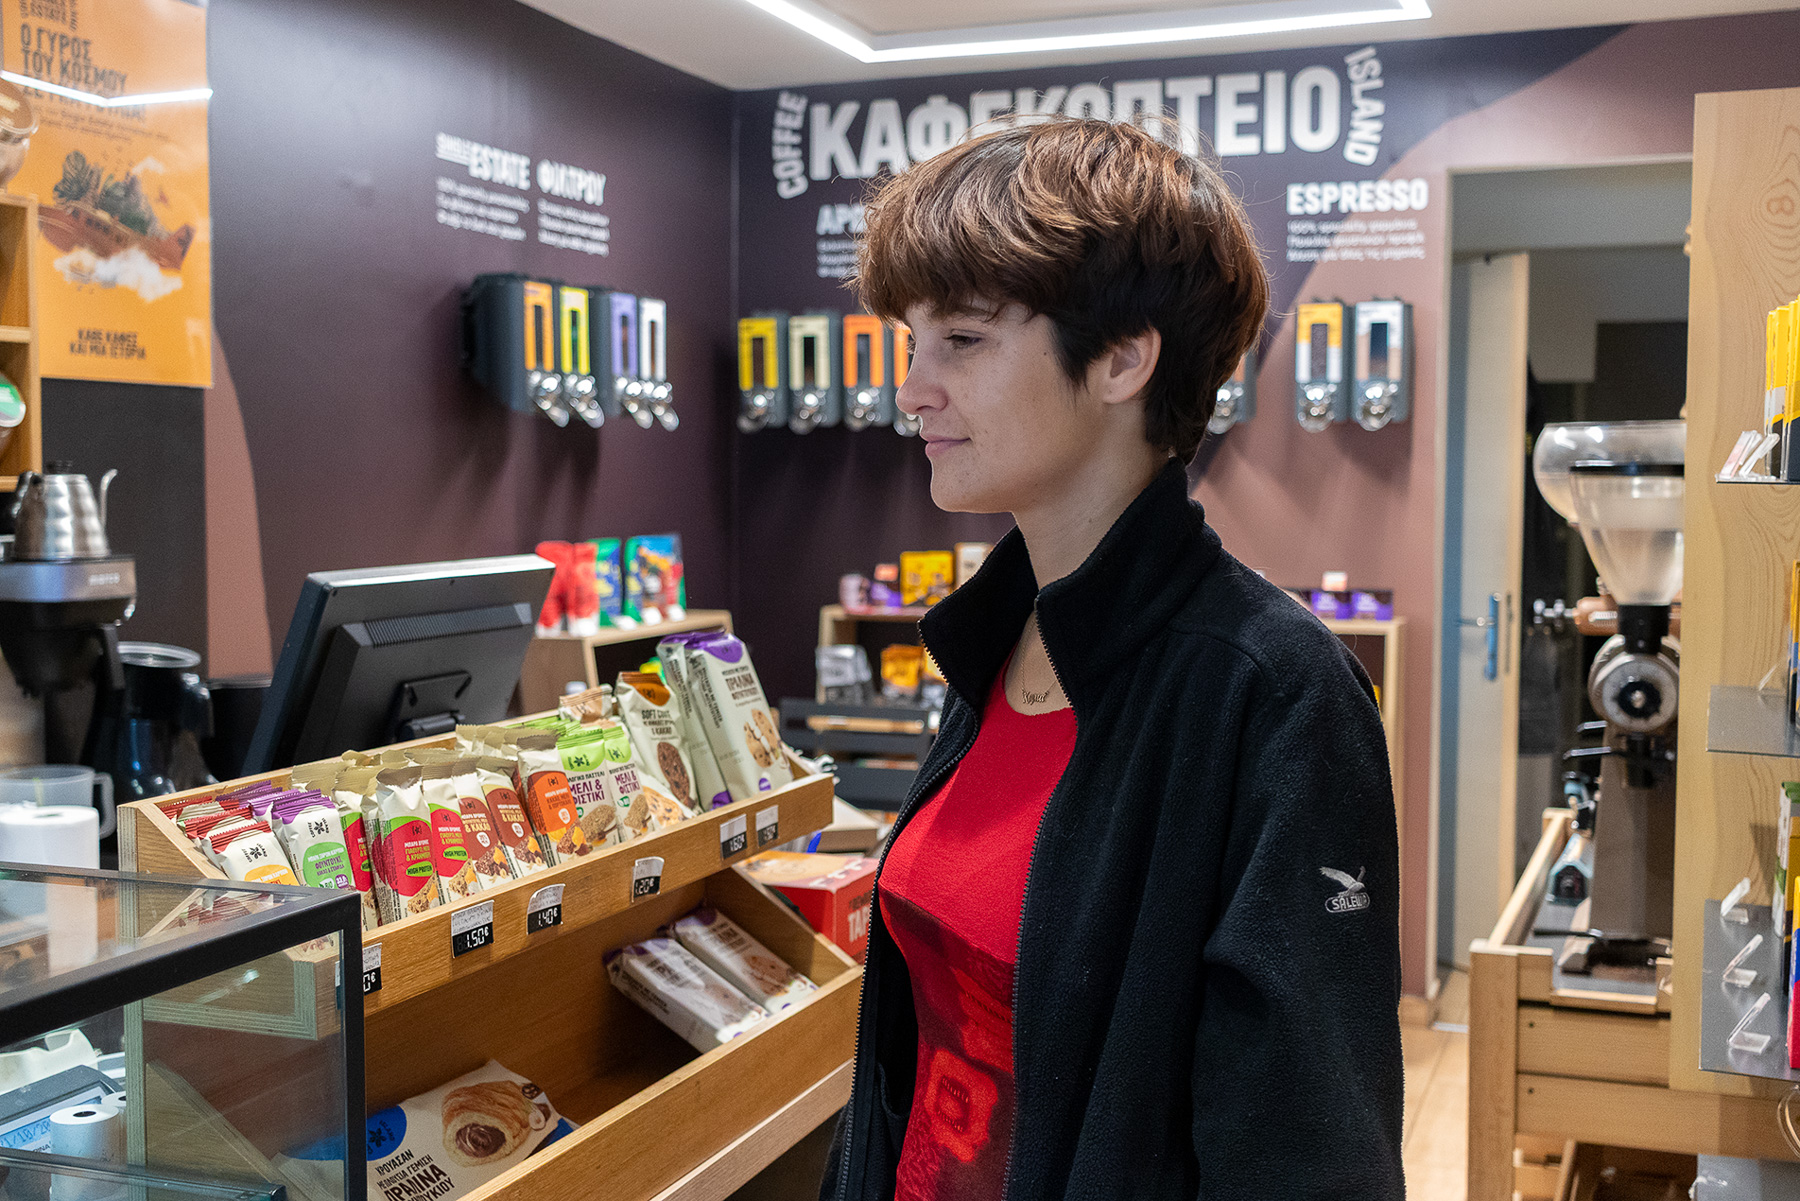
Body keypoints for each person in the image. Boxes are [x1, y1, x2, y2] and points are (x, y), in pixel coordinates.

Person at [819, 117, 1405, 1201]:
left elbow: (1307, 1151)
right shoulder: (998, 639)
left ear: (1126, 356)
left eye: (963, 339)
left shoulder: (1274, 694)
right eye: (913, 342)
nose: (912, 388)